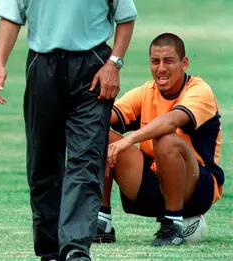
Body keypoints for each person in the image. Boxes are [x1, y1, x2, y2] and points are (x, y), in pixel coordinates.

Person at [0, 0, 137, 261]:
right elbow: (11, 15)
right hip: (42, 65)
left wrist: (114, 65)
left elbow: (125, 17)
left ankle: (75, 249)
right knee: (42, 160)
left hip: (92, 66)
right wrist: (0, 63)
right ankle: (50, 249)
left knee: (86, 160)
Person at [94, 33, 224, 246]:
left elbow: (171, 121)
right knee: (97, 132)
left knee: (165, 138)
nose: (161, 68)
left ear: (184, 63)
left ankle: (173, 226)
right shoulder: (146, 91)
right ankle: (102, 221)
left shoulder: (200, 91)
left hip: (196, 188)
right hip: (152, 182)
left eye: (169, 61)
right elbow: (105, 116)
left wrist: (129, 139)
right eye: (155, 61)